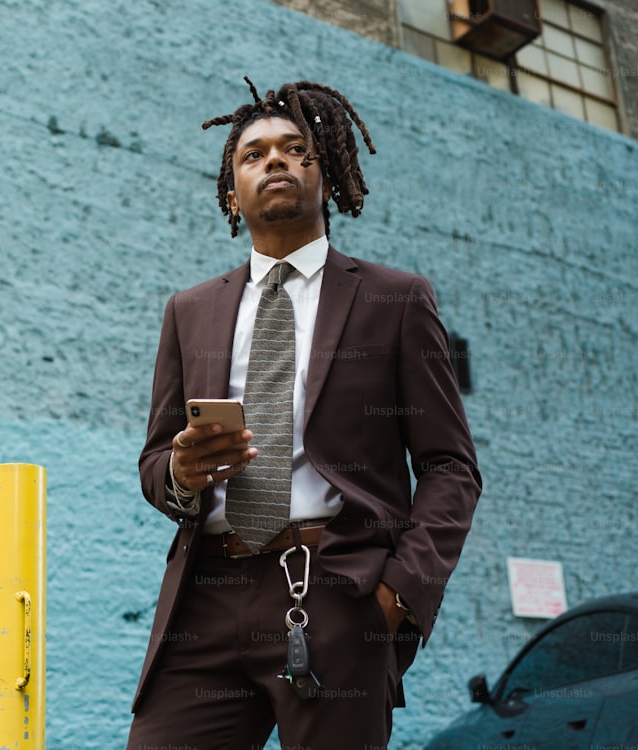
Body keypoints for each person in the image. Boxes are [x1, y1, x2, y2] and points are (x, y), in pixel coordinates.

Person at [126, 78, 482, 749]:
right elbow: (152, 463)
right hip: (203, 594)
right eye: (254, 154)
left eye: (297, 149)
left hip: (334, 592)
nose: (277, 161)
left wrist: (398, 594)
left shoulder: (396, 300)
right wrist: (179, 470)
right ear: (233, 192)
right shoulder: (190, 310)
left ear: (330, 177)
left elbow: (450, 467)